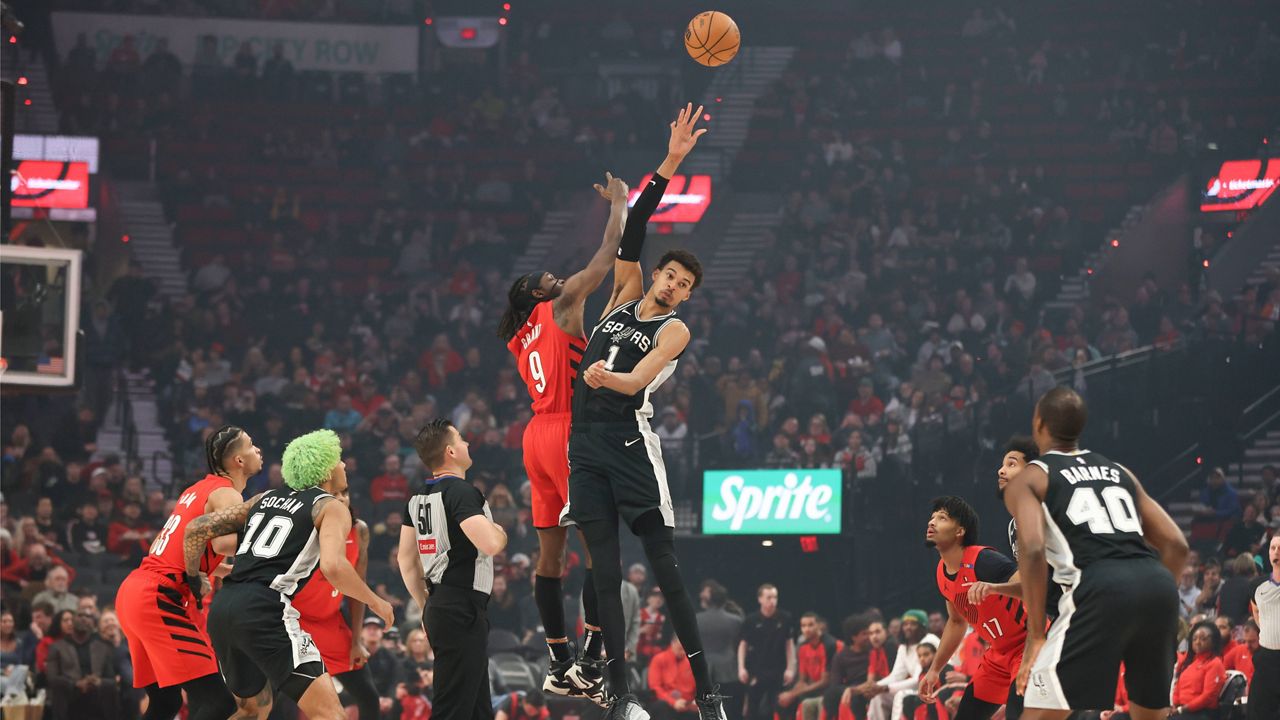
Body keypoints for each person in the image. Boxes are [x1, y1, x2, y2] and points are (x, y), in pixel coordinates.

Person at [560, 103, 725, 720]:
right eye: (672, 275)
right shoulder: (626, 292)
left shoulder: (676, 330)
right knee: (605, 574)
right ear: (657, 274)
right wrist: (672, 161)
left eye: (685, 285)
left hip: (631, 444)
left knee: (666, 569)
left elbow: (636, 383)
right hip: (585, 445)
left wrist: (610, 375)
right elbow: (632, 231)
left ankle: (708, 693)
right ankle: (622, 696)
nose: (675, 287)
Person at [498, 166, 629, 700]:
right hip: (572, 431)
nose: (558, 277)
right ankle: (592, 659)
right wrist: (618, 204)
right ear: (536, 293)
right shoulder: (560, 306)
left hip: (536, 436)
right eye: (548, 278)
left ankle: (557, 659)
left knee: (550, 557)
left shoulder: (518, 336)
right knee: (602, 550)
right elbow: (607, 255)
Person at [1004, 387, 1188, 719]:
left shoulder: (1032, 477)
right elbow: (1177, 545)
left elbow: (1031, 549)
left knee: (1039, 712)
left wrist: (1035, 635)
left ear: (1039, 423)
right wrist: (1152, 598)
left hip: (1097, 587)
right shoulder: (1119, 471)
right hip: (1158, 585)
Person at [186, 429, 394, 720]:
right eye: (339, 460)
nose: (344, 465)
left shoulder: (265, 497)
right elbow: (334, 567)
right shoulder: (330, 506)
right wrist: (376, 601)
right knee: (331, 714)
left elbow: (196, 529)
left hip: (224, 609)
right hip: (264, 608)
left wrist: (194, 575)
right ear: (325, 469)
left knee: (252, 710)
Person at [114, 425, 259, 720]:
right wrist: (266, 528)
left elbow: (186, 548)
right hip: (158, 597)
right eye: (251, 445)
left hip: (136, 591)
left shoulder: (195, 490)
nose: (258, 450)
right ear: (238, 462)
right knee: (219, 704)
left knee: (165, 703)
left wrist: (224, 571)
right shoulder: (226, 494)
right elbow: (224, 543)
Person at [397, 419, 507, 720]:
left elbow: (406, 560)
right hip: (462, 607)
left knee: (477, 707)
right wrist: (500, 530)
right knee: (453, 708)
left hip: (441, 605)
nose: (467, 443)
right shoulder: (461, 492)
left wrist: (424, 604)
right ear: (450, 452)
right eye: (461, 440)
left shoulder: (416, 498)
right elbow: (490, 543)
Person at [919, 496, 1026, 720]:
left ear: (959, 531)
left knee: (1019, 715)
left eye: (942, 518)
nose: (932, 522)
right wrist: (934, 669)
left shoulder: (984, 560)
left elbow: (1032, 588)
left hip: (1028, 647)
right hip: (997, 655)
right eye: (932, 517)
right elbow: (957, 621)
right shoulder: (941, 572)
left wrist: (994, 588)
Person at [291, 488, 379, 720]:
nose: (341, 498)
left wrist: (357, 640)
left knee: (369, 696)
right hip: (295, 622)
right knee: (280, 699)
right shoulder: (304, 529)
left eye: (346, 492)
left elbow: (357, 590)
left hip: (331, 623)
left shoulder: (359, 531)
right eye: (334, 493)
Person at [46, 610, 119, 720]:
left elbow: (111, 679)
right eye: (80, 615)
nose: (84, 618)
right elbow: (52, 678)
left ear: (93, 624)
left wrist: (98, 681)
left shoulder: (103, 647)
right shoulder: (57, 647)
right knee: (58, 687)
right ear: (73, 620)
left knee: (110, 687)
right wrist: (76, 684)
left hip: (96, 695)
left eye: (88, 616)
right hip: (70, 695)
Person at [737, 584, 796, 720]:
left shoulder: (785, 618)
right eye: (768, 597)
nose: (772, 601)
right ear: (760, 599)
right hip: (756, 669)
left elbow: (789, 644)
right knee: (752, 707)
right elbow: (743, 645)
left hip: (778, 668)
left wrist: (790, 668)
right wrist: (741, 668)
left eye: (775, 597)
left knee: (777, 707)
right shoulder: (751, 620)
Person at [777, 613, 836, 717]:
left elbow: (825, 681)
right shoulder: (803, 647)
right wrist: (792, 692)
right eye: (803, 626)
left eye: (810, 625)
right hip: (812, 687)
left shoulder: (829, 644)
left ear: (819, 626)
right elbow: (802, 679)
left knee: (796, 698)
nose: (806, 629)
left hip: (829, 688)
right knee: (780, 703)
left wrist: (793, 694)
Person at [1250, 534, 1280, 719]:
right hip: (1266, 658)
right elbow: (1256, 611)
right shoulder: (1257, 585)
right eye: (1273, 547)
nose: (1277, 552)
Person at [1170, 620, 1225, 719]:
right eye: (1194, 639)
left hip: (1202, 713)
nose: (1197, 642)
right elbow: (1177, 688)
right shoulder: (1189, 662)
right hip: (1183, 711)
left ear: (1213, 641)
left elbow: (1208, 696)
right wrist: (1175, 705)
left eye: (1203, 639)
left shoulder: (1215, 663)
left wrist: (1182, 709)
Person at [650, 637, 700, 719]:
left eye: (685, 650)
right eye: (680, 648)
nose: (683, 652)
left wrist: (693, 702)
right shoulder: (659, 659)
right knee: (660, 706)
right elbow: (655, 687)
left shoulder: (691, 662)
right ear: (673, 643)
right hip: (665, 701)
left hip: (687, 703)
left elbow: (696, 686)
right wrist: (673, 702)